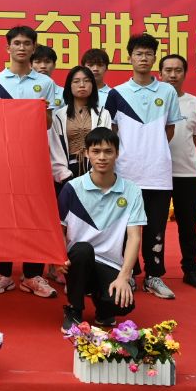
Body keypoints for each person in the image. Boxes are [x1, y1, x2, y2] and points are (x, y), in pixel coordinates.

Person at [0, 25, 61, 299]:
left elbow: (48, 124)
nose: (22, 48)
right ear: (8, 48)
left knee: (34, 214)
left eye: (27, 43)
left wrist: (40, 111)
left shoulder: (46, 84)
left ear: (34, 47)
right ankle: (3, 272)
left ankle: (32, 274)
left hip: (34, 158)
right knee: (2, 216)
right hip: (1, 158)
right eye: (17, 43)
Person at [104, 33, 183, 300]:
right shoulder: (117, 94)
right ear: (130, 58)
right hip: (126, 173)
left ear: (154, 58)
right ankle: (127, 272)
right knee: (124, 227)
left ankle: (153, 276)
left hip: (158, 173)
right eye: (139, 53)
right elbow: (111, 132)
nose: (144, 58)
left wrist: (153, 149)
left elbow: (169, 129)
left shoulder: (167, 91)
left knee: (155, 228)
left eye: (149, 54)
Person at [57, 127, 144, 329]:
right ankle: (74, 309)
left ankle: (104, 310)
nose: (102, 157)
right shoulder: (72, 188)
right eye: (96, 151)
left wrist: (124, 276)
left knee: (122, 304)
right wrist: (58, 258)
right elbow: (58, 230)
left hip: (110, 262)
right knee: (82, 249)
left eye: (108, 151)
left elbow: (134, 237)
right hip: (78, 261)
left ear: (117, 153)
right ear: (87, 153)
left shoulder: (132, 191)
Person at [159, 54, 196, 291]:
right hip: (156, 174)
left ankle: (191, 270)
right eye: (168, 70)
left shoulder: (194, 103)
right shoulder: (153, 101)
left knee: (188, 226)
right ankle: (154, 272)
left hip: (187, 174)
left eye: (177, 70)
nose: (172, 75)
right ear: (160, 73)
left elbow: (194, 138)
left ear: (184, 74)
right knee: (154, 227)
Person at [50, 66, 113, 191]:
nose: (82, 85)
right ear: (69, 86)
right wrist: (65, 176)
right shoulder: (58, 116)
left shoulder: (103, 114)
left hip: (96, 171)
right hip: (67, 173)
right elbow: (55, 149)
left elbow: (107, 145)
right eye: (76, 81)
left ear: (93, 85)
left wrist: (94, 174)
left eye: (87, 81)